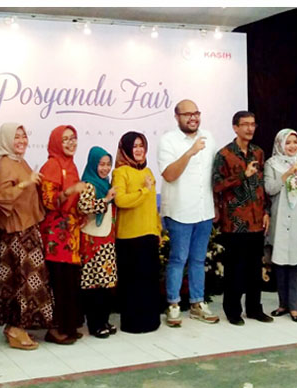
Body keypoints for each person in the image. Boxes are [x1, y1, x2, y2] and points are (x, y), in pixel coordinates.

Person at [0, 122, 55, 350]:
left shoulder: (19, 161)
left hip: (27, 228)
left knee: (29, 281)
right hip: (15, 233)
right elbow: (2, 197)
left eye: (23, 136)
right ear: (6, 139)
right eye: (16, 136)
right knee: (21, 281)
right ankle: (15, 329)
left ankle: (18, 327)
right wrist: (26, 183)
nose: (21, 141)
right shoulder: (3, 164)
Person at [158, 99, 220, 327]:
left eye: (196, 113)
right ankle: (173, 304)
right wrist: (190, 152)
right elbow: (169, 175)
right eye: (187, 114)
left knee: (198, 259)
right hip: (179, 211)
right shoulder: (168, 140)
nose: (193, 118)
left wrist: (217, 204)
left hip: (204, 210)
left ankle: (197, 303)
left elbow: (215, 173)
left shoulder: (208, 137)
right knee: (178, 259)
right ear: (177, 117)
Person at [212, 111, 272, 326]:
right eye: (245, 124)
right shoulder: (224, 154)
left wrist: (266, 211)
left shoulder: (258, 152)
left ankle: (254, 309)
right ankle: (233, 311)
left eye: (253, 124)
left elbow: (262, 185)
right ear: (235, 127)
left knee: (255, 269)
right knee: (235, 270)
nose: (249, 128)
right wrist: (241, 176)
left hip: (256, 221)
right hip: (234, 222)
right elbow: (217, 185)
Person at [264, 129, 297, 322]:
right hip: (279, 221)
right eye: (288, 142)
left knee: (296, 264)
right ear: (280, 144)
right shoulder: (271, 164)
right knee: (279, 264)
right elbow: (269, 189)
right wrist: (288, 173)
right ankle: (282, 304)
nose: (292, 146)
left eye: (295, 142)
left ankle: (294, 307)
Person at [39, 125, 86, 344]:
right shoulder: (52, 165)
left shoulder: (71, 165)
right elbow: (49, 201)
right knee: (59, 282)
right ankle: (55, 329)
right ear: (57, 142)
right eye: (65, 139)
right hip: (56, 235)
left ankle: (69, 325)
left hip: (71, 234)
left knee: (70, 281)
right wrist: (70, 191)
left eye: (73, 138)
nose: (70, 143)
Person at [112, 131, 161, 333]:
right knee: (133, 282)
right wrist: (144, 190)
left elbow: (152, 206)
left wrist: (157, 229)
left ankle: (151, 321)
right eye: (134, 146)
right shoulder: (120, 172)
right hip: (130, 237)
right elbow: (120, 200)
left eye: (142, 145)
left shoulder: (148, 171)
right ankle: (133, 323)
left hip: (148, 234)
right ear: (126, 149)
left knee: (149, 280)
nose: (139, 150)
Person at [77, 146, 118, 338]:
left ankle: (104, 320)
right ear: (93, 164)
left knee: (106, 283)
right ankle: (95, 324)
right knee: (93, 284)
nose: (105, 168)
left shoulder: (105, 183)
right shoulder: (88, 184)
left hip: (106, 237)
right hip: (92, 239)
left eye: (108, 164)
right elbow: (84, 207)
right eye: (101, 164)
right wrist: (107, 199)